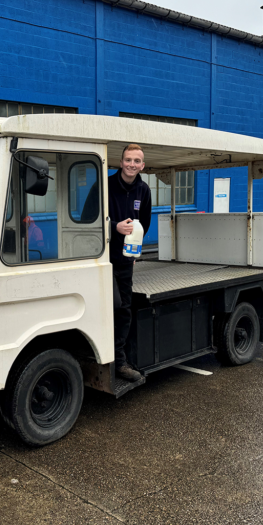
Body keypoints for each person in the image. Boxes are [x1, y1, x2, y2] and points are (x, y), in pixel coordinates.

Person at [109, 144, 152, 381]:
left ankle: (120, 363)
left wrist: (134, 252)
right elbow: (87, 219)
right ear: (121, 161)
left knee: (123, 309)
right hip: (102, 258)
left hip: (125, 260)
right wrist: (114, 226)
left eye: (137, 161)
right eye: (128, 160)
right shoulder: (106, 185)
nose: (132, 165)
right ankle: (101, 357)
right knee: (106, 307)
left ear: (142, 165)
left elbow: (144, 223)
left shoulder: (143, 190)